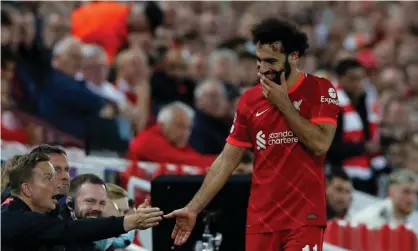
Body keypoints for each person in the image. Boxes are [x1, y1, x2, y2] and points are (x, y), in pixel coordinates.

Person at [164, 18, 340, 251]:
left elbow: (320, 144)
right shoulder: (249, 100)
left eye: (271, 61)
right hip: (262, 217)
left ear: (294, 57)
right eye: (259, 61)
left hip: (304, 216)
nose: (262, 68)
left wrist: (284, 105)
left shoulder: (320, 89)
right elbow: (227, 160)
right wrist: (193, 207)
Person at [1, 152, 163, 251]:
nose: (56, 187)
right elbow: (69, 230)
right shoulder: (15, 219)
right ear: (27, 189)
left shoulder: (15, 212)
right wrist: (127, 222)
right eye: (48, 180)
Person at [327, 58, 387, 195]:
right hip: (341, 176)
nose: (358, 83)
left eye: (361, 78)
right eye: (352, 79)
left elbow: (370, 136)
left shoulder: (365, 102)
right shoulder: (331, 106)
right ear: (339, 79)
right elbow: (329, 147)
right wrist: (363, 147)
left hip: (367, 173)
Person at [350, 169, 418, 229]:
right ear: (391, 192)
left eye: (416, 193)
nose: (412, 199)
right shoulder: (371, 219)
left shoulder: (411, 220)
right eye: (406, 192)